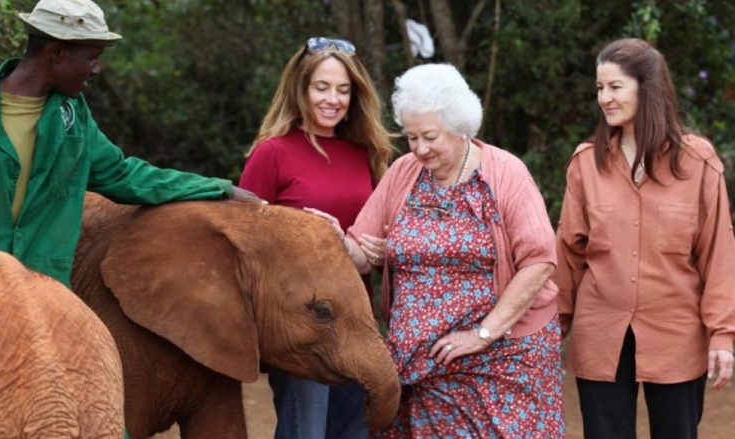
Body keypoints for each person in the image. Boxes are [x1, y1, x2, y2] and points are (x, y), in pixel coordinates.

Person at [314, 63, 565, 438]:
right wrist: (337, 243)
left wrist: (483, 334)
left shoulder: (505, 174)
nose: (419, 149)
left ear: (459, 126)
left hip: (500, 360)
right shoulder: (403, 173)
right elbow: (363, 253)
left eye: (430, 136)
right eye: (411, 137)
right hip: (420, 364)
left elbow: (539, 262)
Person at [0, 0, 256, 289]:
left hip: (43, 295)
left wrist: (218, 188)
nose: (97, 69)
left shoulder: (73, 117)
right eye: (92, 57)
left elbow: (122, 175)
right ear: (57, 52)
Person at [553, 38, 735, 439]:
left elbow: (719, 254)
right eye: (600, 88)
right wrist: (552, 329)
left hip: (677, 336)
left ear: (646, 87)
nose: (605, 98)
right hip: (601, 334)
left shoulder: (698, 162)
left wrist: (723, 334)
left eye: (615, 87)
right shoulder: (587, 164)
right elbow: (567, 255)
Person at [237, 37, 394, 439]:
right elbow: (245, 244)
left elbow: (377, 235)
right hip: (300, 325)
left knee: (353, 434)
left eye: (343, 90)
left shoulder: (367, 152)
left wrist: (376, 250)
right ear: (300, 89)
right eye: (321, 87)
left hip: (357, 321)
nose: (333, 100)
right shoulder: (271, 153)